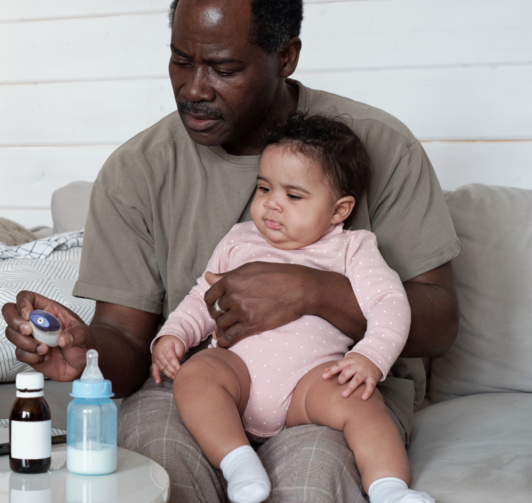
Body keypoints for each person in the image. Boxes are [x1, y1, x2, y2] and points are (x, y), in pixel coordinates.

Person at [2, 0, 461, 503]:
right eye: (180, 61)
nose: (194, 88)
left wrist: (309, 291)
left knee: (311, 479)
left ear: (285, 56)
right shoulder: (137, 170)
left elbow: (439, 324)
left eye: (223, 68)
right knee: (157, 467)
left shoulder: (377, 147)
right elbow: (127, 336)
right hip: (205, 384)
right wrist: (84, 353)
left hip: (330, 387)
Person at [151, 114, 433, 503]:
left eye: (293, 196)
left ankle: (389, 488)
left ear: (339, 210)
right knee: (195, 375)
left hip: (310, 385)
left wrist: (371, 356)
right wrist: (175, 333)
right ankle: (238, 463)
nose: (271, 205)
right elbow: (206, 294)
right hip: (238, 377)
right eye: (264, 188)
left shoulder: (351, 248)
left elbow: (389, 303)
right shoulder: (239, 240)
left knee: (363, 403)